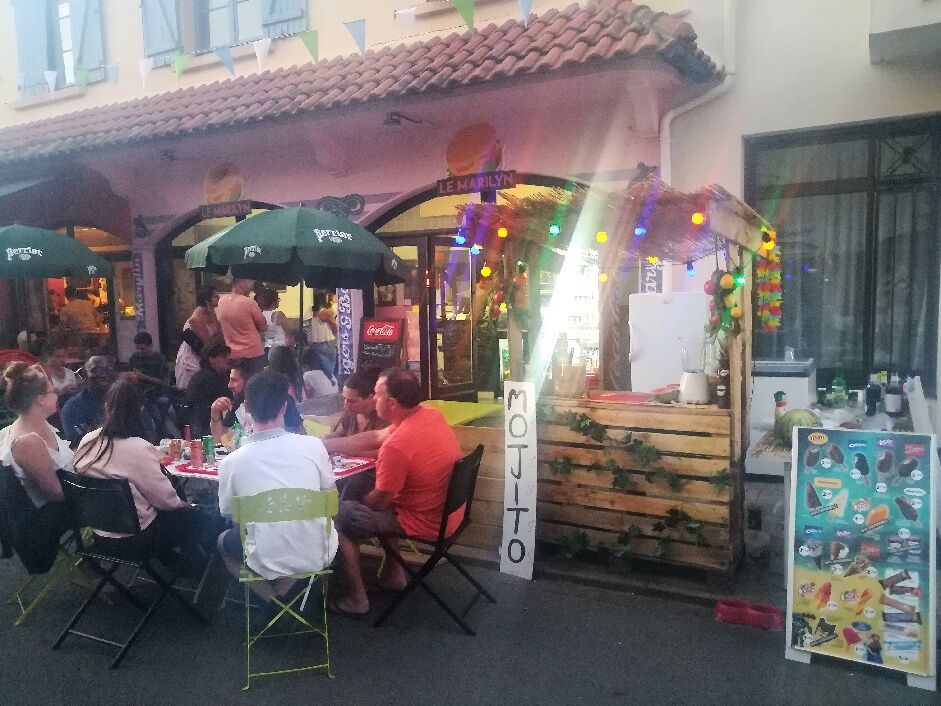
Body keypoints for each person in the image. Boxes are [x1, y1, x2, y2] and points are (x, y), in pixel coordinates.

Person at [332, 368, 463, 617]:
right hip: (451, 514)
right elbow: (376, 436)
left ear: (391, 403)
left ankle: (358, 600)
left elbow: (379, 502)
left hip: (427, 523)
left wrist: (360, 502)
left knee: (340, 514)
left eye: (377, 394)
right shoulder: (428, 415)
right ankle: (395, 575)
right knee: (367, 498)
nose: (373, 398)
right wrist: (327, 445)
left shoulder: (397, 446)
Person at [216, 370, 337, 600]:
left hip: (262, 555)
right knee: (304, 534)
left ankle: (272, 601)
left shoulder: (231, 462)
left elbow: (229, 513)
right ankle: (284, 600)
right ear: (284, 407)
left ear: (246, 408)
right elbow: (331, 499)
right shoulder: (314, 446)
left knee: (224, 541)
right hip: (317, 549)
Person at [74, 379, 214, 566]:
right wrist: (186, 506)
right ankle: (197, 567)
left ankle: (176, 562)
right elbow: (166, 501)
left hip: (100, 535)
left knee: (177, 510)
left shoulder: (87, 441)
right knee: (199, 518)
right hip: (138, 540)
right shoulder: (138, 448)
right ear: (140, 409)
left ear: (107, 407)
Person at [0, 363, 73, 573]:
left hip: (65, 491)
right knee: (126, 487)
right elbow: (56, 493)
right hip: (48, 514)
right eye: (52, 391)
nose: (56, 395)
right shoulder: (27, 442)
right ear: (40, 399)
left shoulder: (35, 421)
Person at [209, 361, 305, 444]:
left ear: (249, 381)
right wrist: (215, 414)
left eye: (234, 380)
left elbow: (300, 433)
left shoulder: (279, 399)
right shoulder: (237, 403)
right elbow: (221, 441)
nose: (229, 385)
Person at [322, 365, 388, 457]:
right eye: (345, 399)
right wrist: (319, 442)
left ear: (370, 398)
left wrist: (350, 452)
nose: (346, 405)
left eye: (352, 401)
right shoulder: (351, 413)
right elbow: (338, 434)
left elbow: (383, 451)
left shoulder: (385, 418)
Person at [60, 355, 114, 445]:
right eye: (96, 370)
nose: (103, 374)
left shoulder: (123, 400)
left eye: (108, 369)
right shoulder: (73, 407)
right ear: (85, 374)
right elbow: (79, 443)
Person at [175, 286, 221, 389]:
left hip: (204, 357)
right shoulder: (197, 318)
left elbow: (220, 333)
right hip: (192, 359)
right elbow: (207, 344)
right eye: (215, 296)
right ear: (207, 300)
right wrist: (217, 337)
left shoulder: (211, 313)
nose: (219, 298)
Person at [217, 279, 266, 374]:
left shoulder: (221, 301)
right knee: (254, 381)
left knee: (237, 379)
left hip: (232, 353)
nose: (252, 282)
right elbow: (263, 326)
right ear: (240, 282)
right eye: (249, 280)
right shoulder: (248, 302)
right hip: (252, 353)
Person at [183, 343, 231, 439]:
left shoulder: (205, 374)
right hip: (202, 423)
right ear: (211, 359)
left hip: (198, 421)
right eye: (223, 357)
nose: (228, 360)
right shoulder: (208, 377)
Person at [306, 291, 337, 376]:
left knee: (316, 372)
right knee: (328, 373)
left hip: (312, 344)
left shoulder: (307, 312)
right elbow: (336, 328)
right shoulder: (325, 312)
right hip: (326, 344)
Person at [255, 287, 293, 354]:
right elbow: (290, 330)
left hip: (265, 348)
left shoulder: (259, 315)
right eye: (278, 299)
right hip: (280, 348)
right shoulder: (279, 315)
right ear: (273, 301)